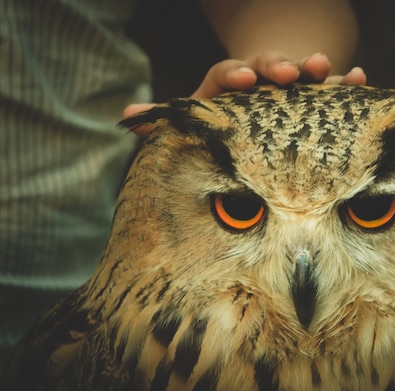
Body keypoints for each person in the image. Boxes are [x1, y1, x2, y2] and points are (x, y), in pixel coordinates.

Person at [0, 0, 366, 369]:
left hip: (55, 271)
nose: (302, 266)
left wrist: (279, 92)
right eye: (238, 210)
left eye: (370, 211)